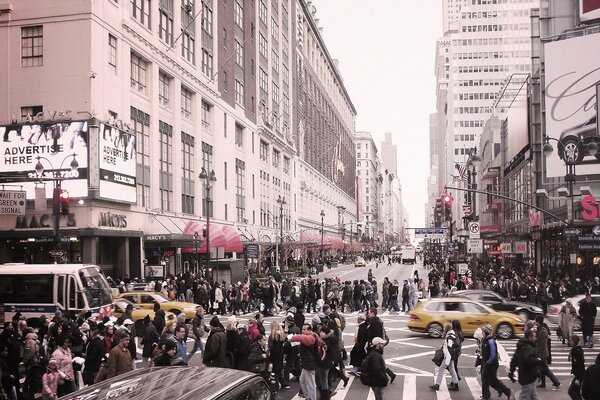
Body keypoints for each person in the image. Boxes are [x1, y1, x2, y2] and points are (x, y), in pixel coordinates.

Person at [480, 324, 512, 400]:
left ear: (486, 332)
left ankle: (486, 397)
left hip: (491, 364)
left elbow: (493, 354)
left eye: (483, 331)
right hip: (487, 363)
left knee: (485, 380)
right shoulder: (485, 339)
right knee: (492, 380)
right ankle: (506, 391)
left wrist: (487, 363)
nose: (482, 332)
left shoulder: (490, 341)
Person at [509, 330, 541, 400]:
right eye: (534, 336)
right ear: (530, 337)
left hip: (527, 376)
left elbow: (514, 361)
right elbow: (528, 360)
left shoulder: (521, 347)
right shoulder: (528, 347)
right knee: (524, 396)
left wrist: (511, 372)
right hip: (528, 376)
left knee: (533, 396)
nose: (536, 338)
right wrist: (538, 360)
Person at [290, 324, 319, 400]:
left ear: (309, 330)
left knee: (311, 384)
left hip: (309, 364)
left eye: (304, 329)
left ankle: (312, 398)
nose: (302, 330)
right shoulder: (311, 336)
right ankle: (308, 397)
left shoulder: (310, 338)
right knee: (302, 380)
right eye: (302, 329)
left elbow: (300, 337)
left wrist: (291, 338)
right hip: (306, 363)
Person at [429, 322, 459, 391]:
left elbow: (450, 348)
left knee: (441, 370)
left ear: (446, 328)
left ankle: (437, 385)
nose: (443, 328)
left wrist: (447, 360)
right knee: (452, 370)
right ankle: (456, 384)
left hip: (448, 357)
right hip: (450, 357)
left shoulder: (449, 337)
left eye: (444, 327)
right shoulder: (451, 335)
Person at [535, 315, 561, 390]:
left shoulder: (542, 331)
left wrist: (539, 356)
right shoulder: (540, 328)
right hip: (541, 353)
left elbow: (542, 345)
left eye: (536, 321)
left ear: (538, 321)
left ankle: (557, 383)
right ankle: (543, 383)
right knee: (543, 369)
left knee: (546, 370)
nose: (535, 322)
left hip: (542, 354)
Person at [568, 335, 585, 400]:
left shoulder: (577, 351)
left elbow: (580, 364)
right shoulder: (575, 349)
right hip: (578, 374)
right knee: (576, 392)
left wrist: (578, 378)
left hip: (579, 375)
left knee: (571, 391)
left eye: (571, 340)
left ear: (574, 341)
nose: (570, 342)